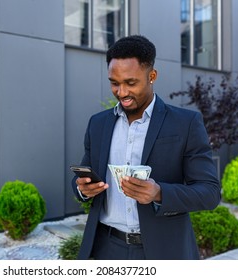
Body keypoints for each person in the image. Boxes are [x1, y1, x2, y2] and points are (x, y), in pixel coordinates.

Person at [72, 35, 221, 260]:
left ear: (152, 76)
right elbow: (82, 178)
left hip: (164, 251)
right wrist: (83, 189)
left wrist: (160, 193)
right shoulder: (98, 124)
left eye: (131, 83)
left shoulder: (186, 123)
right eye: (114, 82)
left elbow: (209, 193)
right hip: (106, 249)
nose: (121, 92)